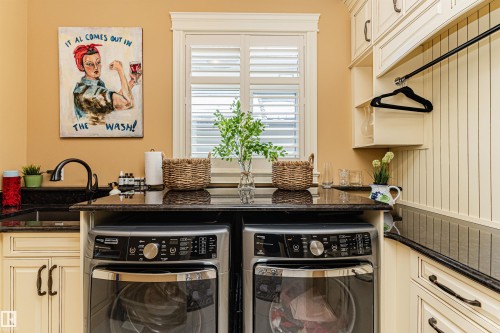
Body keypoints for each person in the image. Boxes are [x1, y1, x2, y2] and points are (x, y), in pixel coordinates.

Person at [72, 44, 140, 125]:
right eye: (89, 64)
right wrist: (120, 70)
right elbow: (127, 103)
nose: (96, 67)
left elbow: (113, 100)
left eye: (98, 62)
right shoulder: (88, 91)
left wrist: (132, 82)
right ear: (81, 66)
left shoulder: (96, 84)